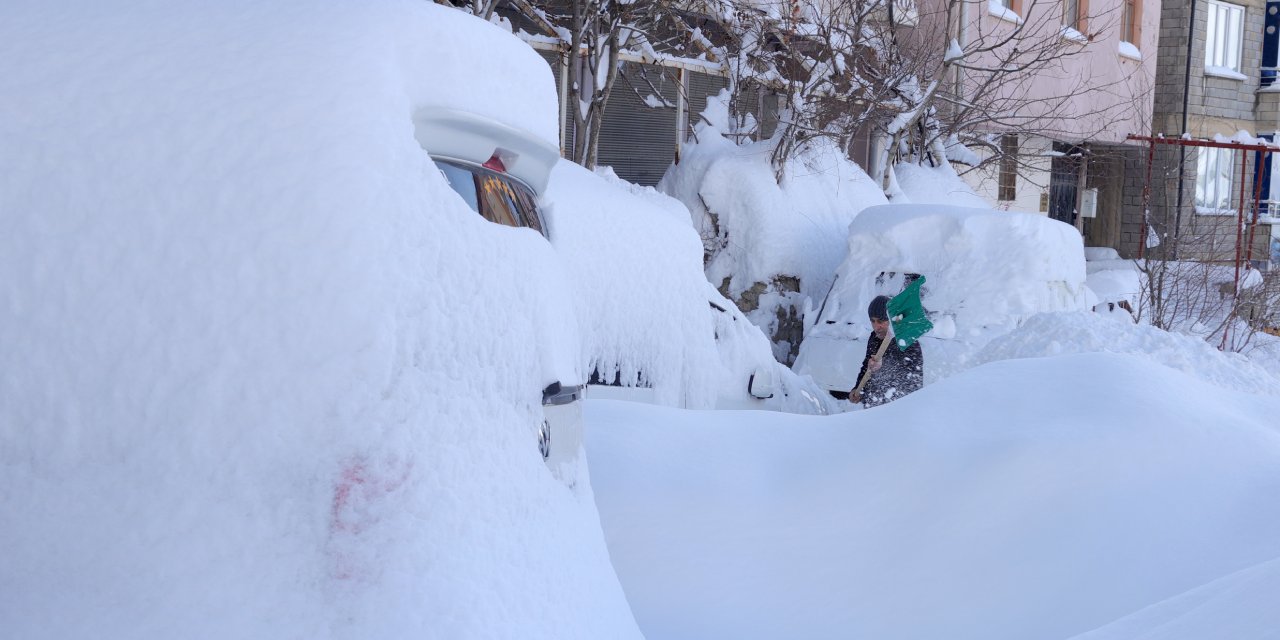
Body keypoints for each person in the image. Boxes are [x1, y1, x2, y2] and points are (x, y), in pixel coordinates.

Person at [849, 295, 923, 408]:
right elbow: (867, 366)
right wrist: (859, 389)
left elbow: (913, 381)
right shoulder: (874, 338)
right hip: (872, 405)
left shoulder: (907, 341)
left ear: (893, 319)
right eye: (872, 321)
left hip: (898, 407)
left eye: (881, 320)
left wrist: (883, 366)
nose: (876, 326)